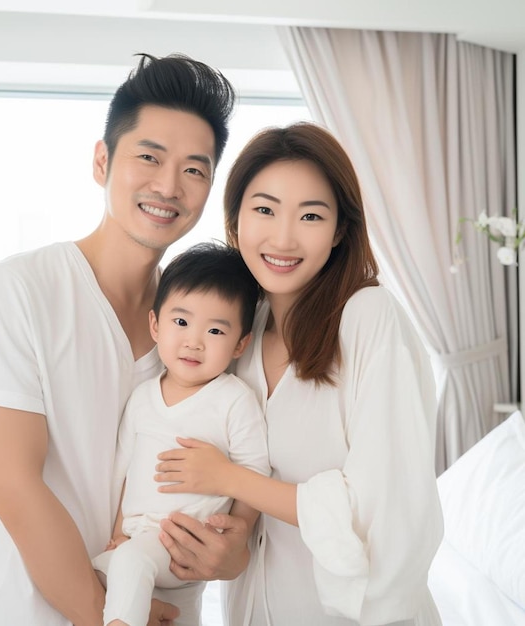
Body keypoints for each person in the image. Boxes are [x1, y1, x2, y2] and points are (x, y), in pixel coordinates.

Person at [0, 53, 243, 626]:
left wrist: (234, 550)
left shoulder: (204, 330)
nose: (169, 185)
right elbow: (14, 486)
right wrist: (104, 613)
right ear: (102, 160)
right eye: (149, 157)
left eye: (194, 169)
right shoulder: (15, 292)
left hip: (169, 607)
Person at [155, 122, 444, 625]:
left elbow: (382, 511)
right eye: (264, 209)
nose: (283, 238)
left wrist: (229, 477)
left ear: (338, 231)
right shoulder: (236, 334)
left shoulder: (369, 318)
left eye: (311, 215)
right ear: (235, 219)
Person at [91, 242, 270, 626]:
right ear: (155, 325)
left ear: (240, 343)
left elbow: (255, 471)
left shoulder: (234, 400)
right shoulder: (141, 399)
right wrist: (119, 532)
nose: (194, 341)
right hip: (139, 543)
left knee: (130, 567)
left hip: (188, 546)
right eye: (182, 322)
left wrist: (236, 533)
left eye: (216, 330)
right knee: (96, 578)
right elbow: (125, 471)